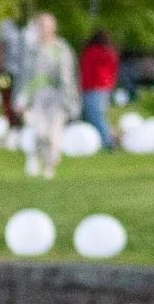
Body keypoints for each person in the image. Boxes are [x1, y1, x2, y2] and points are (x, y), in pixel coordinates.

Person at [17, 12, 79, 180]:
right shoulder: (32, 50)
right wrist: (22, 99)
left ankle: (50, 167)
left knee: (53, 135)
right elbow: (26, 76)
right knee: (39, 132)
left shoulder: (61, 49)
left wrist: (69, 101)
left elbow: (67, 77)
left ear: (53, 27)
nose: (43, 29)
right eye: (41, 25)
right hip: (37, 98)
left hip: (57, 99)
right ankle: (34, 157)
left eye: (46, 25)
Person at [79, 28, 120, 149]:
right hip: (104, 88)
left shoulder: (91, 52)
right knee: (99, 115)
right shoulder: (110, 52)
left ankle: (107, 142)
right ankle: (106, 140)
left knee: (94, 115)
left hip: (92, 87)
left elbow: (85, 71)